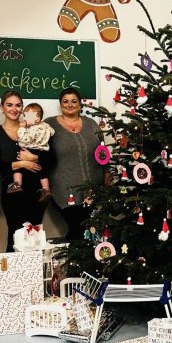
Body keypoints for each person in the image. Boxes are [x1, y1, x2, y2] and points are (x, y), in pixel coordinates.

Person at [0, 90, 56, 252]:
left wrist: (34, 159)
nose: (14, 109)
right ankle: (13, 276)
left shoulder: (38, 130)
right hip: (13, 191)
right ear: (2, 107)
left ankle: (33, 275)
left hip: (38, 191)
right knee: (16, 234)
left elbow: (52, 160)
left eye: (18, 105)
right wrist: (21, 164)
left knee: (35, 236)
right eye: (9, 105)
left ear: (23, 109)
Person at [45, 88, 106, 240]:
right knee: (77, 228)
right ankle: (71, 261)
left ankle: (84, 262)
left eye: (74, 101)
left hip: (93, 189)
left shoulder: (91, 124)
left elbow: (103, 152)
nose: (70, 105)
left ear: (79, 104)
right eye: (65, 101)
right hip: (63, 189)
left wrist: (108, 172)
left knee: (90, 230)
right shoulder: (49, 124)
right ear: (60, 104)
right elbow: (40, 151)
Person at [9, 102, 55, 203]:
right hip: (42, 150)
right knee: (42, 171)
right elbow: (52, 132)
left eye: (27, 117)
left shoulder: (31, 129)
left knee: (18, 166)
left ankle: (17, 184)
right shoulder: (47, 126)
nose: (24, 120)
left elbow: (25, 139)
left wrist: (21, 128)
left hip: (30, 149)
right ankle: (46, 189)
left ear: (37, 119)